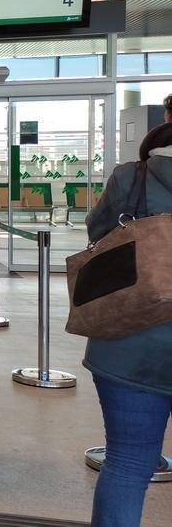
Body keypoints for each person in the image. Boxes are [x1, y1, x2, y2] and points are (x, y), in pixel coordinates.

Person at [83, 122, 172, 527]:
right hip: (131, 347)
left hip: (129, 341)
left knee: (127, 464)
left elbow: (99, 234)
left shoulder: (130, 176)